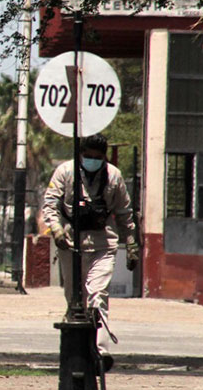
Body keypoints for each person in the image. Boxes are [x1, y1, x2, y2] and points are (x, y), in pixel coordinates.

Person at [41, 133, 139, 371]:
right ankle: (76, 349)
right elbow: (50, 205)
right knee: (75, 300)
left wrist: (132, 245)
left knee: (98, 296)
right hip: (70, 244)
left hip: (102, 245)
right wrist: (56, 230)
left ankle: (101, 351)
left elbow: (125, 213)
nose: (92, 160)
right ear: (81, 154)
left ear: (104, 157)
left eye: (97, 157)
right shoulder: (65, 172)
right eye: (88, 156)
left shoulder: (114, 176)